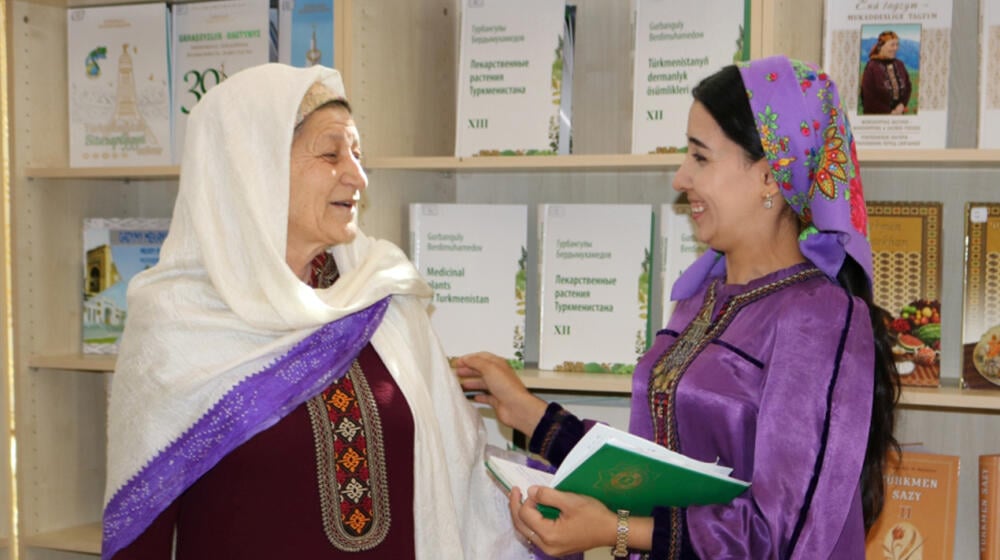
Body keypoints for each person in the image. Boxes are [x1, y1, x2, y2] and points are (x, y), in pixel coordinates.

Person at [456, 55, 900, 559]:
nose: (680, 178)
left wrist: (616, 531)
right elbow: (653, 474)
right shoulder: (700, 299)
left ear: (771, 176)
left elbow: (783, 532)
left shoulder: (817, 317)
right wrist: (533, 417)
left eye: (701, 157)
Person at [101, 63, 528, 559]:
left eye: (357, 153)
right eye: (330, 154)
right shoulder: (176, 322)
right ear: (252, 169)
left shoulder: (381, 297)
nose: (358, 176)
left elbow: (464, 471)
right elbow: (142, 528)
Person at [860, 30, 912, 115]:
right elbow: (868, 97)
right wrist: (890, 112)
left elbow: (908, 87)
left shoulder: (900, 64)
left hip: (899, 118)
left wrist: (902, 105)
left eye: (897, 45)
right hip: (876, 120)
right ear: (882, 46)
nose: (896, 48)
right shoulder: (871, 66)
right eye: (892, 45)